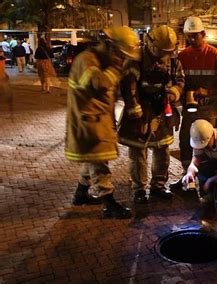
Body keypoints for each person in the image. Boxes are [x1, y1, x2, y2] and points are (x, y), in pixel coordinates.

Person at [65, 26, 141, 219]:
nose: (122, 59)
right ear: (109, 45)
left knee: (92, 160)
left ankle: (80, 195)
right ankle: (109, 204)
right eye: (119, 54)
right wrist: (116, 69)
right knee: (99, 165)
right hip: (88, 123)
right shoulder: (87, 60)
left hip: (97, 121)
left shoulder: (101, 60)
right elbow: (98, 84)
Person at [118, 25, 184, 204]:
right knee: (138, 152)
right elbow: (128, 88)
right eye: (161, 50)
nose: (163, 55)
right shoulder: (135, 60)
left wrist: (174, 92)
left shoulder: (172, 60)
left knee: (162, 150)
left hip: (162, 110)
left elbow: (180, 80)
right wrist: (137, 115)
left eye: (167, 51)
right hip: (141, 109)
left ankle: (158, 185)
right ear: (150, 42)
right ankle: (139, 189)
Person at [171, 16, 217, 190]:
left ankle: (204, 181)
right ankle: (188, 177)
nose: (192, 39)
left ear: (203, 34)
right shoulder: (182, 56)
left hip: (209, 109)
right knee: (186, 141)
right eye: (189, 36)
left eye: (195, 36)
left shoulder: (215, 55)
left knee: (206, 144)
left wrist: (208, 91)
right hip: (190, 107)